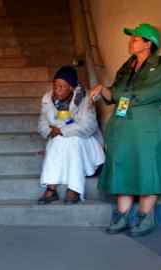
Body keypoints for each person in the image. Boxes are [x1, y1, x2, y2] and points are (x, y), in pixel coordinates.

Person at [90, 23, 161, 237]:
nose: (130, 42)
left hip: (150, 125)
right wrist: (101, 89)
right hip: (123, 125)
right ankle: (121, 217)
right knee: (122, 166)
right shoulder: (126, 67)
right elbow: (114, 95)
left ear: (148, 43)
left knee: (148, 167)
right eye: (131, 38)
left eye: (135, 39)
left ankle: (145, 217)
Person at [37, 66, 105, 205]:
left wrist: (62, 131)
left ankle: (71, 189)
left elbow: (89, 126)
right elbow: (42, 124)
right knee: (59, 141)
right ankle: (54, 189)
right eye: (55, 86)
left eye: (62, 86)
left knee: (72, 140)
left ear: (72, 88)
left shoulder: (85, 98)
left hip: (85, 141)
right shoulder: (47, 99)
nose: (57, 90)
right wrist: (51, 131)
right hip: (59, 143)